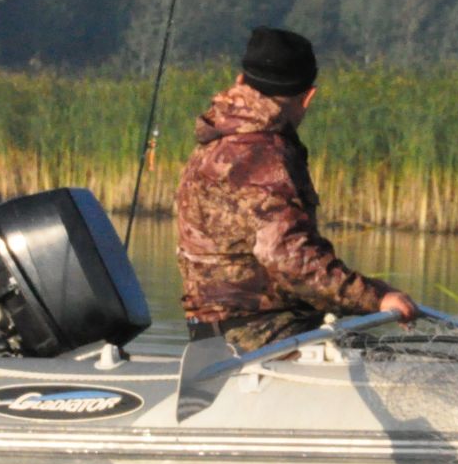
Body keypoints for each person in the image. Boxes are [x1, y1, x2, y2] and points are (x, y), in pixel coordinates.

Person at [176, 27, 419, 351]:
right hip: (261, 336)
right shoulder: (261, 152)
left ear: (239, 82)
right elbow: (288, 257)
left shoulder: (214, 141)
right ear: (308, 97)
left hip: (214, 335)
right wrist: (376, 297)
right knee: (393, 365)